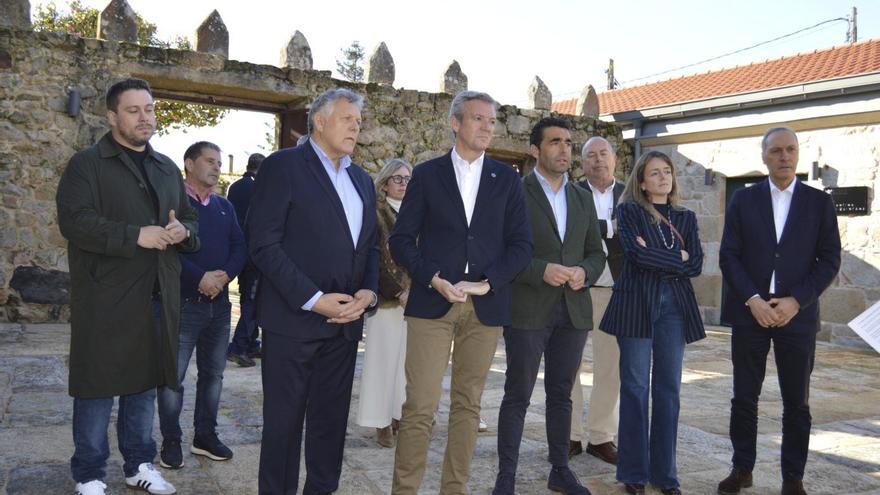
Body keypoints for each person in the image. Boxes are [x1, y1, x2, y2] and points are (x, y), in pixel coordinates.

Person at [56, 77, 199, 495]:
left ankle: (139, 465)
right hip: (106, 299)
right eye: (133, 110)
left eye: (149, 109)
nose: (144, 117)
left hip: (157, 297)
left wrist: (183, 231)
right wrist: (136, 235)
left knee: (144, 386)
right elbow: (75, 222)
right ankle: (89, 474)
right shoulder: (87, 164)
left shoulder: (166, 167)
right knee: (97, 388)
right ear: (112, 116)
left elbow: (191, 219)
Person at [389, 90, 533, 494]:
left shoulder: (507, 179)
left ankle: (455, 489)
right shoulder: (426, 175)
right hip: (432, 301)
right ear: (455, 123)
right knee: (420, 407)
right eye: (478, 118)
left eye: (492, 120)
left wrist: (489, 282)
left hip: (485, 308)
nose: (488, 127)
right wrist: (432, 277)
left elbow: (522, 245)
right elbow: (401, 241)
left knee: (468, 406)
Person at [247, 88, 379, 495]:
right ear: (320, 121)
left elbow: (370, 247)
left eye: (359, 121)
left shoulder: (362, 179)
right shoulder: (283, 166)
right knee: (283, 427)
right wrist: (313, 299)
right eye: (347, 119)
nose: (356, 127)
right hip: (292, 322)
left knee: (330, 427)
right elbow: (263, 243)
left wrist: (369, 292)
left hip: (344, 326)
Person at [717, 127, 841, 495]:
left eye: (790, 149)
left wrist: (796, 300)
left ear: (798, 154)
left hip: (796, 316)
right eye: (776, 151)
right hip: (751, 313)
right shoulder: (743, 199)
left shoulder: (819, 203)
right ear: (764, 156)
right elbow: (729, 255)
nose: (784, 156)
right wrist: (752, 299)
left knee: (797, 402)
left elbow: (829, 259)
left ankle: (793, 477)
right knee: (744, 398)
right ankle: (742, 468)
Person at [492, 118, 605, 495]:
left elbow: (596, 253)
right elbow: (501, 252)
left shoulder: (582, 197)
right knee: (517, 395)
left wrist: (584, 272)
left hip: (573, 310)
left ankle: (560, 470)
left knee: (562, 394)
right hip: (527, 309)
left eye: (569, 142)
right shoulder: (515, 192)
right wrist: (541, 270)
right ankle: (506, 476)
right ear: (535, 149)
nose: (564, 149)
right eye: (555, 141)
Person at [599, 150, 705, 495]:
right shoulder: (629, 211)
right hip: (636, 305)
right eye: (655, 173)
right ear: (642, 183)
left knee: (668, 390)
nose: (663, 177)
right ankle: (633, 472)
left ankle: (665, 475)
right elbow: (637, 255)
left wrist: (663, 255)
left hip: (674, 307)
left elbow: (696, 264)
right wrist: (678, 256)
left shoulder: (686, 217)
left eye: (667, 171)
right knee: (634, 389)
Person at [157, 141, 247, 470]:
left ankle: (205, 436)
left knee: (213, 376)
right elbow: (166, 252)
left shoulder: (225, 206)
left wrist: (224, 277)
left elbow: (240, 245)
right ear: (189, 164)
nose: (216, 167)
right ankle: (171, 440)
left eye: (219, 162)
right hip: (183, 304)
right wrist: (200, 278)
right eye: (210, 161)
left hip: (219, 306)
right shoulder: (172, 205)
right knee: (173, 377)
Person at [569, 136, 624, 464]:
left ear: (614, 159)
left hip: (615, 293)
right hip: (576, 290)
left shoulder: (631, 194)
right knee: (568, 366)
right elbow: (573, 233)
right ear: (582, 162)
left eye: (604, 154)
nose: (598, 160)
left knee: (610, 369)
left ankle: (602, 437)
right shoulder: (571, 193)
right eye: (591, 155)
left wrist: (608, 229)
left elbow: (633, 230)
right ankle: (570, 435)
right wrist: (609, 227)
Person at [356, 158, 413, 448]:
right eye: (398, 178)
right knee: (382, 362)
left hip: (416, 301)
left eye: (407, 179)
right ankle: (380, 421)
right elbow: (374, 259)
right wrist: (397, 292)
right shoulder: (375, 214)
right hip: (389, 301)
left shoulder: (417, 213)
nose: (403, 184)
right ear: (385, 183)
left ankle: (400, 414)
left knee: (407, 364)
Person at [226, 152, 265, 367]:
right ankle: (238, 346)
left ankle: (251, 343)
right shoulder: (258, 187)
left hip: (239, 251)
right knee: (253, 300)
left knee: (247, 297)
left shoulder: (235, 186)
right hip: (254, 253)